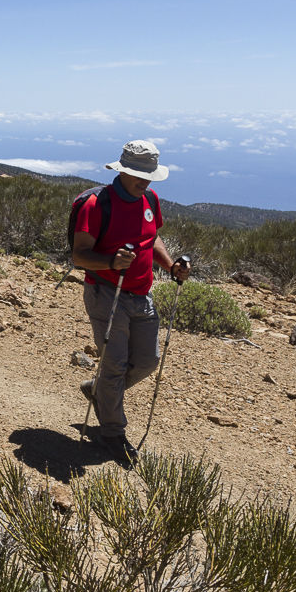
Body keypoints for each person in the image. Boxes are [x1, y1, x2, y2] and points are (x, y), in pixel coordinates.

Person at [73, 140, 190, 465]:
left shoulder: (149, 198)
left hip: (141, 292)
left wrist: (171, 266)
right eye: (138, 173)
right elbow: (79, 256)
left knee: (148, 361)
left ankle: (99, 392)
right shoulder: (96, 205)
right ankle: (113, 432)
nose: (145, 180)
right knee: (115, 366)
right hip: (106, 293)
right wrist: (111, 262)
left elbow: (151, 238)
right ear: (122, 170)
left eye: (148, 174)